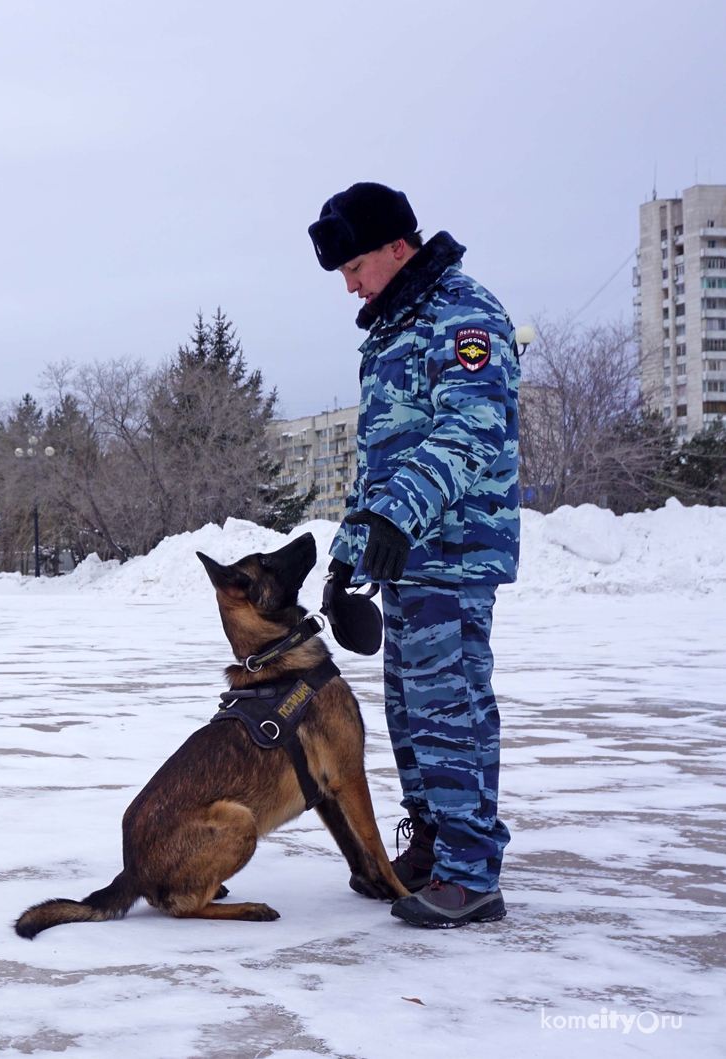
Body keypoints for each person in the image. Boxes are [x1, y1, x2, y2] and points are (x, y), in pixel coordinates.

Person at [310, 182, 520, 928]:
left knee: (450, 708)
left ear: (398, 247)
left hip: (454, 552)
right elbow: (378, 466)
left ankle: (472, 873)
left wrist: (395, 520)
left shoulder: (462, 315)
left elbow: (470, 431)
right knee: (410, 712)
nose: (350, 286)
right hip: (406, 555)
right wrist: (345, 560)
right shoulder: (392, 329)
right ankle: (432, 841)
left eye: (356, 266)